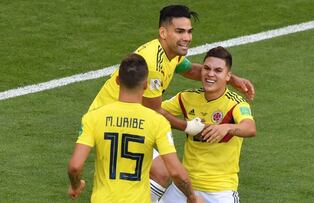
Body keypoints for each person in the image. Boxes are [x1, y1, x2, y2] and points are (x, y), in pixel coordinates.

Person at [88, 4, 255, 202]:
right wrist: (188, 126)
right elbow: (155, 110)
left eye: (189, 31)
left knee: (150, 172)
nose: (187, 37)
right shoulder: (154, 64)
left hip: (124, 117)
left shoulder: (170, 55)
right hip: (113, 120)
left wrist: (232, 78)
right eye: (180, 31)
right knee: (161, 171)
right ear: (163, 32)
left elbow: (191, 70)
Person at [67, 54, 202, 203]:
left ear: (117, 81)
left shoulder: (93, 118)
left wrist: (76, 185)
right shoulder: (157, 121)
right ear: (145, 85)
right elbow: (177, 172)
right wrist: (192, 197)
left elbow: (75, 166)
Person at [159, 46, 256, 203]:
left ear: (228, 76)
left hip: (220, 191)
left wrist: (227, 127)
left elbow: (250, 128)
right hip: (184, 186)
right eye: (207, 68)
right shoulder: (186, 97)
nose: (211, 74)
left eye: (218, 70)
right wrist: (184, 125)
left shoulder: (236, 104)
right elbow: (154, 111)